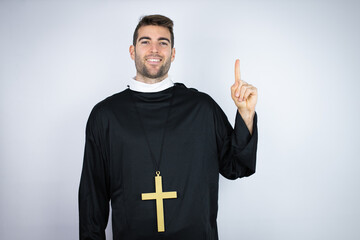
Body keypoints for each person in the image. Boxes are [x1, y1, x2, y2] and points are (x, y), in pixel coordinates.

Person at [79, 14, 258, 240]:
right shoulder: (105, 116)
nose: (154, 49)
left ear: (172, 53)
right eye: (145, 42)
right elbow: (91, 200)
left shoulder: (202, 108)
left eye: (163, 42)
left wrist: (246, 114)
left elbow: (236, 167)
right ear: (132, 51)